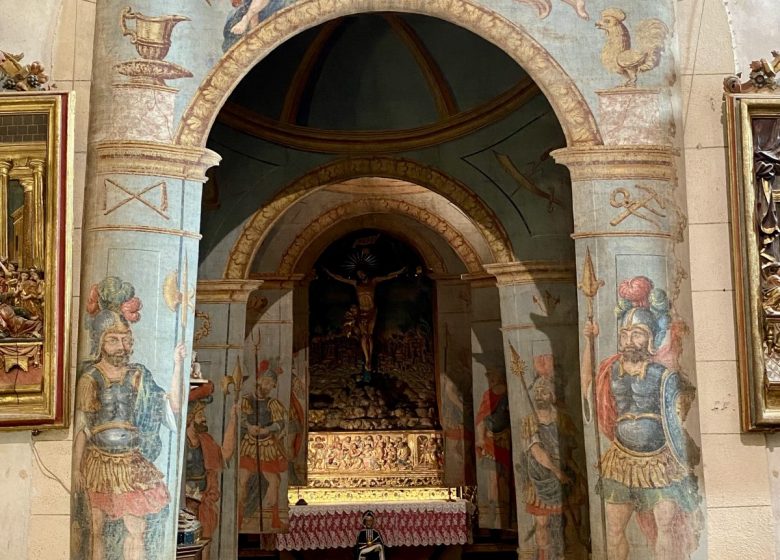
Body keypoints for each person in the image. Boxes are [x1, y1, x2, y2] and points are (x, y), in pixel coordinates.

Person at [582, 289, 701, 560]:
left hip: (660, 462)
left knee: (666, 529)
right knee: (613, 531)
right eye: (625, 334)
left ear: (649, 338)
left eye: (636, 333)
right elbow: (586, 385)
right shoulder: (611, 371)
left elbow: (680, 410)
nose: (628, 340)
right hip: (621, 460)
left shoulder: (664, 375)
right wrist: (588, 341)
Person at [73, 276, 184, 560]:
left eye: (125, 340)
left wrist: (177, 365)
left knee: (137, 527)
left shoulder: (138, 375)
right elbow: (83, 429)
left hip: (131, 461)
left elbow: (171, 405)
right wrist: (76, 469)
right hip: (99, 461)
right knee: (96, 529)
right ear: (100, 342)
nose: (121, 346)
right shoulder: (90, 377)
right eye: (113, 340)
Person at [521, 372, 585, 560]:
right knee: (542, 522)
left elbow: (570, 452)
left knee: (570, 521)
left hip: (563, 474)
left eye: (544, 392)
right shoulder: (530, 421)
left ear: (552, 395)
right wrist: (557, 472)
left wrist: (576, 473)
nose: (540, 396)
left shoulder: (562, 419)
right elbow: (537, 452)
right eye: (538, 392)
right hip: (541, 477)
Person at [184, 381, 238, 560]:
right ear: (190, 417)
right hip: (184, 505)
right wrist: (189, 493)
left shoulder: (205, 440)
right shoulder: (180, 443)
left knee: (205, 547)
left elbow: (226, 453)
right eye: (200, 414)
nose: (203, 418)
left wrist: (233, 420)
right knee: (188, 550)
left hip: (204, 502)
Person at [237, 359, 288, 531]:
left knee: (274, 482)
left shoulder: (272, 403)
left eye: (271, 384)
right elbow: (241, 419)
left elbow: (280, 423)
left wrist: (267, 429)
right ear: (258, 380)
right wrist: (249, 427)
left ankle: (274, 519)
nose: (267, 386)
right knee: (242, 481)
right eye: (265, 381)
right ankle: (238, 518)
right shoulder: (246, 400)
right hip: (249, 445)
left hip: (266, 446)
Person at [325, 266, 405, 373]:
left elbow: (387, 276)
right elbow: (342, 278)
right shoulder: (356, 283)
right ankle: (367, 359)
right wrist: (330, 273)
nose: (360, 275)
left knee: (369, 335)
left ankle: (370, 358)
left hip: (371, 312)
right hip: (361, 312)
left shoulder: (373, 281)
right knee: (364, 335)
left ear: (366, 272)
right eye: (358, 274)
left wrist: (399, 271)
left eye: (361, 273)